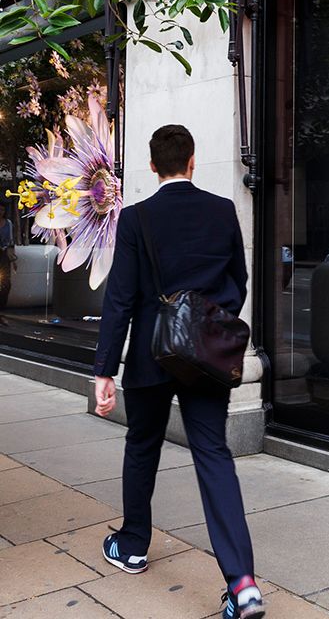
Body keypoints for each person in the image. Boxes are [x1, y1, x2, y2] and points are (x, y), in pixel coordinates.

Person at [93, 125, 265, 619]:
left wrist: (105, 369)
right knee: (213, 455)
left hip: (151, 352)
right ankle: (242, 583)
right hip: (206, 355)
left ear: (151, 166)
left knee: (142, 444)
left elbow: (120, 298)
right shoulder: (222, 210)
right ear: (193, 160)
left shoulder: (136, 219)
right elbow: (239, 281)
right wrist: (208, 315)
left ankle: (132, 545)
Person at [0, 201, 14, 323]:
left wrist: (13, 260)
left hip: (4, 255)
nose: (1, 212)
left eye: (2, 210)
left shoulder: (8, 223)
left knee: (5, 284)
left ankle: (2, 310)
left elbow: (10, 241)